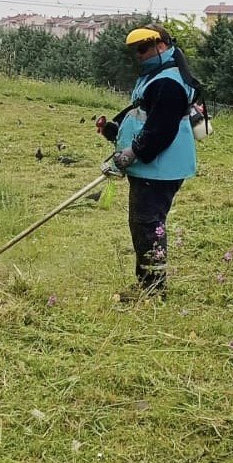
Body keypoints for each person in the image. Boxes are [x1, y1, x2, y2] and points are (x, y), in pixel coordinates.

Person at [97, 25, 197, 297]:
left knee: (148, 223)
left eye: (143, 48)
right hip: (152, 164)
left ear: (161, 46)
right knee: (143, 221)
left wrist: (133, 152)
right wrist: (118, 129)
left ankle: (152, 287)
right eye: (135, 50)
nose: (138, 55)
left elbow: (160, 130)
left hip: (160, 167)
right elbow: (142, 112)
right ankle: (148, 283)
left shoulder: (169, 82)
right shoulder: (157, 76)